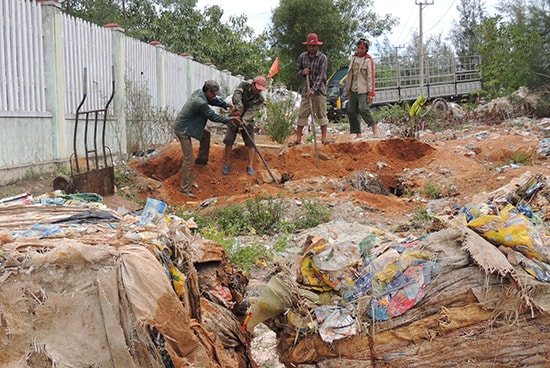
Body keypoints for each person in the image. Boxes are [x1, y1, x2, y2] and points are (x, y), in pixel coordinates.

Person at [174, 80, 241, 198]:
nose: (215, 96)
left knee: (206, 135)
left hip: (190, 125)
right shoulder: (200, 102)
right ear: (208, 91)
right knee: (189, 159)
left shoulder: (200, 93)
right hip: (183, 129)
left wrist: (226, 105)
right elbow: (213, 116)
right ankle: (184, 189)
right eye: (214, 93)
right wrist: (231, 119)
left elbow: (213, 100)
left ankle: (202, 160)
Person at [289, 33, 330, 147]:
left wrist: (313, 89)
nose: (311, 48)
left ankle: (324, 138)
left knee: (321, 114)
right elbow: (298, 70)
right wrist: (303, 72)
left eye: (313, 46)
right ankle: (298, 138)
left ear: (317, 46)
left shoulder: (322, 58)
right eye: (309, 46)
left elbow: (321, 76)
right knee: (302, 113)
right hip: (306, 90)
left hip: (319, 91)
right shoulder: (303, 57)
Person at [222, 76, 267, 176]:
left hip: (247, 120)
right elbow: (237, 95)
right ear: (253, 84)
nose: (258, 91)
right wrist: (238, 109)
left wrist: (244, 121)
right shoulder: (243, 85)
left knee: (251, 143)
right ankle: (227, 163)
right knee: (229, 140)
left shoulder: (260, 99)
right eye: (257, 88)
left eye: (260, 89)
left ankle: (250, 165)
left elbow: (252, 111)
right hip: (235, 115)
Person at [344, 37, 378, 139]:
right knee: (351, 111)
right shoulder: (353, 59)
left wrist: (371, 93)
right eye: (358, 48)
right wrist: (348, 90)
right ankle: (357, 132)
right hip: (353, 88)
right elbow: (349, 75)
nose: (360, 50)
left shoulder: (368, 60)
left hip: (363, 89)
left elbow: (370, 77)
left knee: (363, 109)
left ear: (366, 49)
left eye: (362, 48)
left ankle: (374, 126)